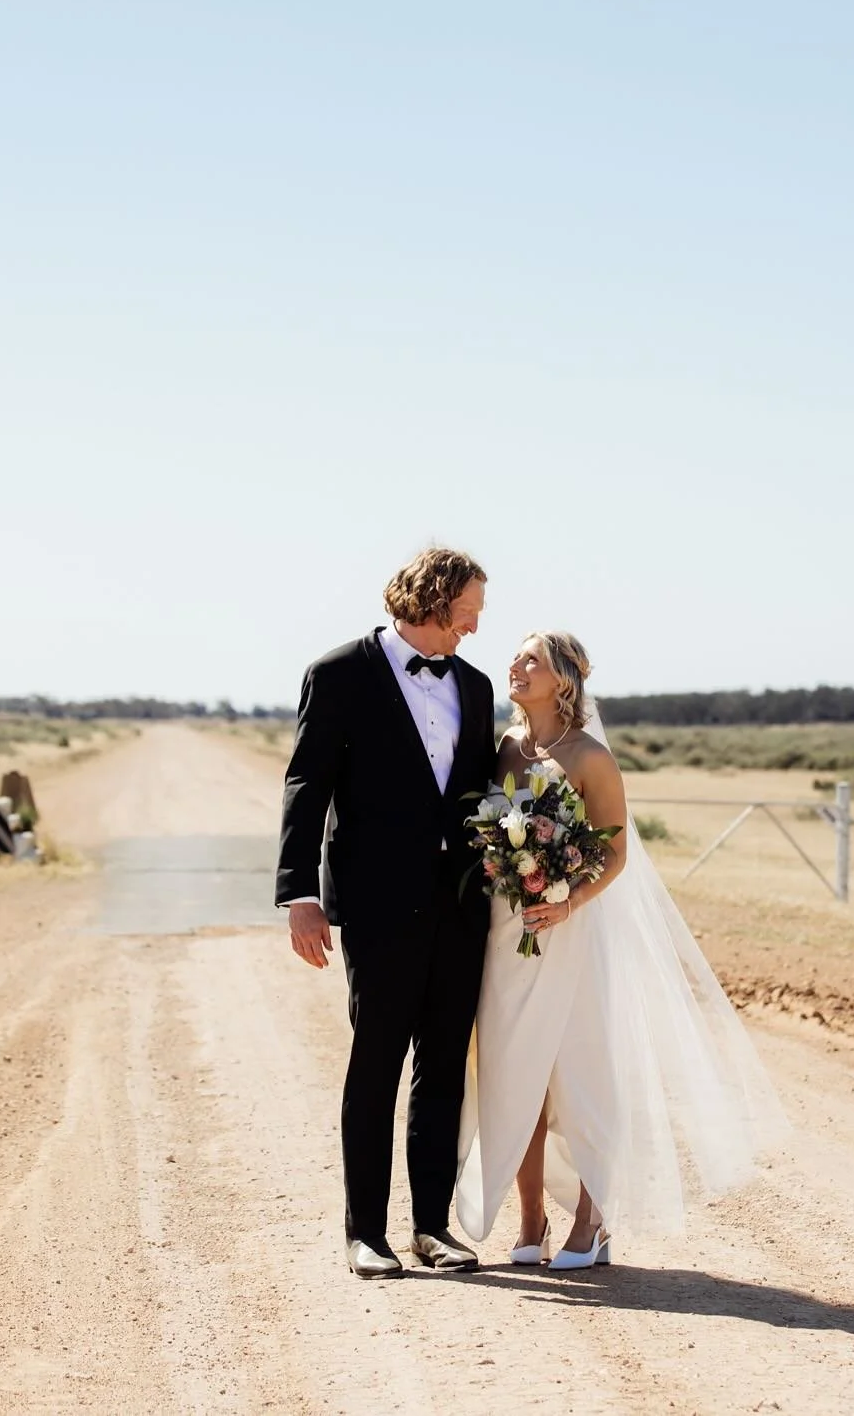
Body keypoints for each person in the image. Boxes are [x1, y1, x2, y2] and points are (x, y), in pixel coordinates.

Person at [456, 632, 787, 1268]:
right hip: (511, 931)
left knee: (580, 1075)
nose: (516, 667)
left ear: (563, 680)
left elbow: (613, 852)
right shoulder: (505, 749)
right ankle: (530, 1220)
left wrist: (566, 900)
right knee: (513, 1075)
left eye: (532, 660)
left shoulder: (589, 756)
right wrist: (510, 870)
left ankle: (594, 1217)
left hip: (572, 932)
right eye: (517, 658)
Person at [276, 548, 497, 1279]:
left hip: (461, 905)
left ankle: (431, 1227)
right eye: (470, 606)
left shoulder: (475, 682)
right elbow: (307, 783)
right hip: (377, 904)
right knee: (375, 1064)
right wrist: (299, 893)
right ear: (435, 601)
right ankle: (363, 1232)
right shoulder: (339, 672)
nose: (476, 621)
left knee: (442, 1068)